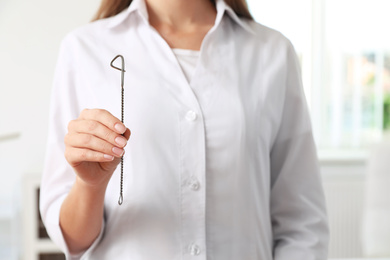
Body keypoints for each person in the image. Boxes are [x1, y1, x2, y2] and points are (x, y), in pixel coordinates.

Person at [39, 0, 329, 259]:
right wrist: (90, 185)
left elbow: (302, 222)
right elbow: (72, 241)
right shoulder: (84, 48)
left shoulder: (271, 52)